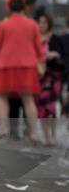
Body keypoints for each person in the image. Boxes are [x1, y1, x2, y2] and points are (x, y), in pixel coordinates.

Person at [0, 0, 44, 141]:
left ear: (9, 7)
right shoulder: (32, 24)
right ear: (24, 7)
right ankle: (34, 132)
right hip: (27, 66)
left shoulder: (2, 25)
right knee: (28, 99)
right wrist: (40, 62)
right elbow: (39, 49)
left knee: (2, 97)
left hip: (5, 65)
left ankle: (3, 129)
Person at [35, 12, 64, 145]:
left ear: (49, 23)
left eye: (45, 22)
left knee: (50, 106)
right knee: (40, 106)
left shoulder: (56, 39)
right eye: (40, 22)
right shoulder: (34, 38)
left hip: (53, 76)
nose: (42, 25)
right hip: (39, 76)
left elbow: (62, 56)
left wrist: (55, 55)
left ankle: (53, 134)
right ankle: (47, 136)